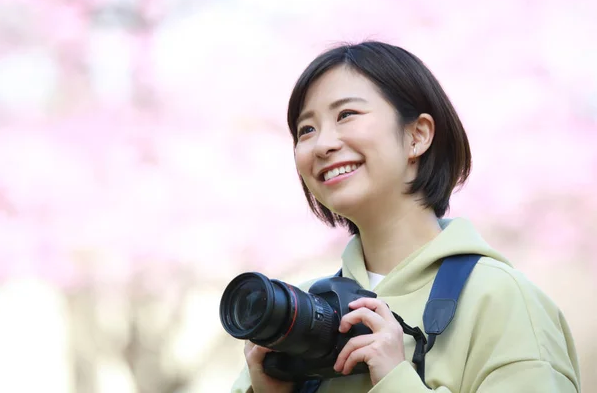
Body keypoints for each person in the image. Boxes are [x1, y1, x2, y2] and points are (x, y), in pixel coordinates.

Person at [230, 41, 581, 392]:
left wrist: (397, 381)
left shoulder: (501, 299)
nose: (322, 145)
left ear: (417, 135)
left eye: (346, 115)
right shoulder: (300, 316)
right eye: (306, 129)